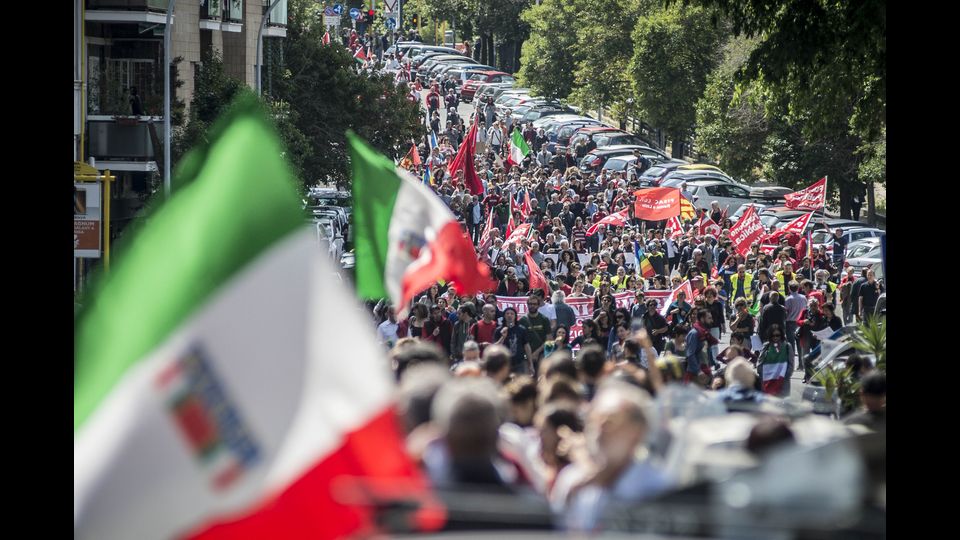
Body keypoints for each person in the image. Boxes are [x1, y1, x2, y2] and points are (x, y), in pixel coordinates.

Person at [551, 381, 672, 531]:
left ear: (637, 431)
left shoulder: (656, 487)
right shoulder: (570, 479)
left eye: (609, 422)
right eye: (594, 420)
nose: (599, 429)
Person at [494, 307, 533, 374]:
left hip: (519, 363)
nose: (509, 315)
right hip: (503, 364)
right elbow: (495, 347)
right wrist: (503, 337)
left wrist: (530, 364)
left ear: (515, 316)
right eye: (507, 314)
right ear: (504, 316)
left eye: (512, 314)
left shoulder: (521, 329)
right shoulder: (498, 330)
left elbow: (527, 346)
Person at [757, 327, 792, 396]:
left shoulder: (787, 346)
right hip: (767, 381)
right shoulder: (766, 346)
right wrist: (761, 373)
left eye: (777, 335)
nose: (775, 337)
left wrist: (786, 375)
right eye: (773, 335)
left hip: (782, 381)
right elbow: (760, 362)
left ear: (781, 335)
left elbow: (791, 363)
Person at [519, 295, 551, 369]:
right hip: (525, 356)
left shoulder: (544, 319)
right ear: (527, 305)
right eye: (530, 304)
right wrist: (529, 355)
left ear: (538, 305)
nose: (532, 306)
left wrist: (537, 353)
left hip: (541, 355)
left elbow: (549, 340)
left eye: (534, 304)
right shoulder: (522, 320)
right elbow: (520, 340)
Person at [685, 310, 717, 383]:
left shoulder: (705, 333)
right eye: (709, 318)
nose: (712, 320)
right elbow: (690, 354)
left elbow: (705, 352)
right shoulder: (694, 333)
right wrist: (698, 371)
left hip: (705, 371)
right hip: (695, 375)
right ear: (702, 319)